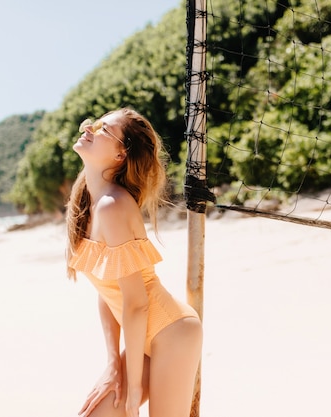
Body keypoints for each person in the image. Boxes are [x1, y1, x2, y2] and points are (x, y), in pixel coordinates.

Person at [65, 108, 203, 417]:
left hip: (173, 332)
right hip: (142, 338)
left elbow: (137, 303)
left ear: (120, 154)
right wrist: (114, 365)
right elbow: (107, 292)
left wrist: (134, 392)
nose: (89, 127)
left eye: (104, 129)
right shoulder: (87, 203)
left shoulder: (114, 206)